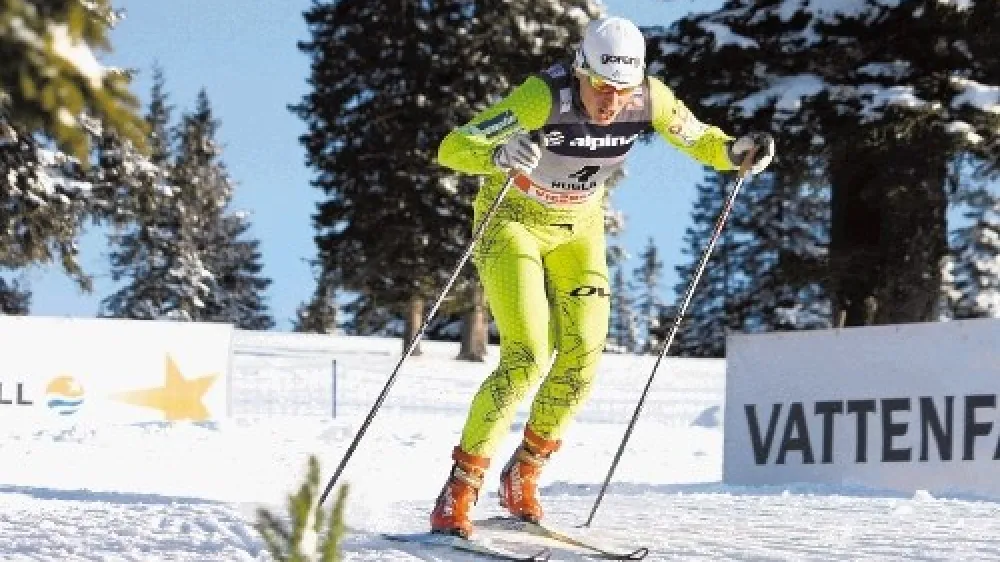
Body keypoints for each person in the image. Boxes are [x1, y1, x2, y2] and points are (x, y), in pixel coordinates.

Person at [430, 15, 774, 538]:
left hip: (578, 227)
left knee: (583, 359)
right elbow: (454, 147)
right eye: (599, 86)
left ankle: (523, 472)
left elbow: (700, 138)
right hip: (513, 222)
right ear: (579, 70)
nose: (610, 101)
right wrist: (497, 154)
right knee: (526, 357)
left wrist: (734, 152)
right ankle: (459, 488)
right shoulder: (541, 98)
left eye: (622, 89)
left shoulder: (650, 99)